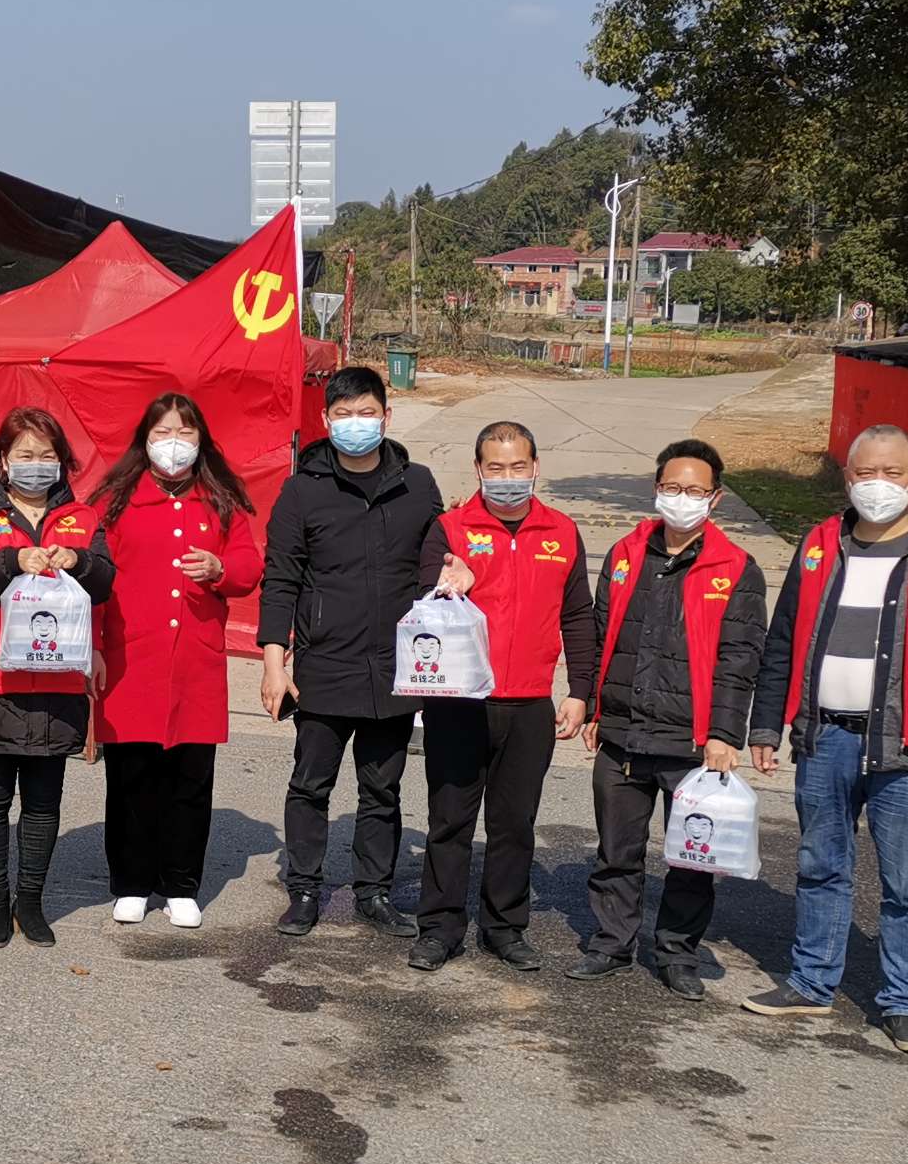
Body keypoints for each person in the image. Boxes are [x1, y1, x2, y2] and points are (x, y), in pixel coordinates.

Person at [747, 424, 908, 1052]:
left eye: (891, 472)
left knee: (907, 884)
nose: (876, 485)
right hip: (825, 738)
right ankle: (811, 982)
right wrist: (769, 723)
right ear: (847, 478)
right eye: (863, 473)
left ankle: (902, 1003)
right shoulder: (819, 545)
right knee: (819, 865)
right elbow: (783, 642)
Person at [570, 439, 768, 995]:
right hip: (623, 735)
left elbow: (740, 660)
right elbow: (600, 631)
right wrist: (593, 703)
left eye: (695, 490)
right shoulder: (625, 554)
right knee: (617, 850)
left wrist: (726, 733)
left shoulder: (737, 569)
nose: (682, 499)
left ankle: (677, 952)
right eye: (672, 488)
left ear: (716, 498)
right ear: (657, 490)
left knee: (691, 858)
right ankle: (612, 942)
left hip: (693, 741)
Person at [260, 365, 447, 938]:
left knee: (382, 789)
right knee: (310, 784)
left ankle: (374, 891)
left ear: (387, 417)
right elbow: (281, 578)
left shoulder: (417, 484)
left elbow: (435, 564)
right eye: (342, 414)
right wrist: (273, 660)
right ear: (325, 420)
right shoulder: (302, 488)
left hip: (396, 668)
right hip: (324, 664)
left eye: (366, 413)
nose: (355, 424)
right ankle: (304, 890)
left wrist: (455, 567)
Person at [409, 422, 600, 973]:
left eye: (518, 468)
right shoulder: (449, 528)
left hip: (529, 704)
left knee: (514, 824)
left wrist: (580, 691)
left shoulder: (561, 532)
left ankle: (504, 927)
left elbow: (577, 616)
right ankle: (439, 927)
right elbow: (421, 600)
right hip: (461, 702)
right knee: (450, 820)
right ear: (478, 470)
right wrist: (447, 583)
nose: (508, 479)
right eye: (496, 468)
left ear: (536, 467)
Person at [91, 393, 263, 927]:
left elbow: (248, 563)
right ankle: (132, 881)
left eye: (184, 434)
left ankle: (182, 881)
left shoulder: (220, 500)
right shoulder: (116, 502)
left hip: (195, 660)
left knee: (191, 777)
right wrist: (93, 645)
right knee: (132, 778)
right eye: (162, 433)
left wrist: (219, 569)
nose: (173, 444)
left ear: (201, 441)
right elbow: (93, 579)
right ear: (144, 441)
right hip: (131, 660)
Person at [0, 407, 115, 946]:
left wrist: (78, 561)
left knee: (45, 799)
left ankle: (31, 900)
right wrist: (11, 560)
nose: (36, 465)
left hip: (59, 679)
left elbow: (105, 586)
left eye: (47, 455)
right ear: (3, 460)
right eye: (24, 454)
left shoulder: (84, 518)